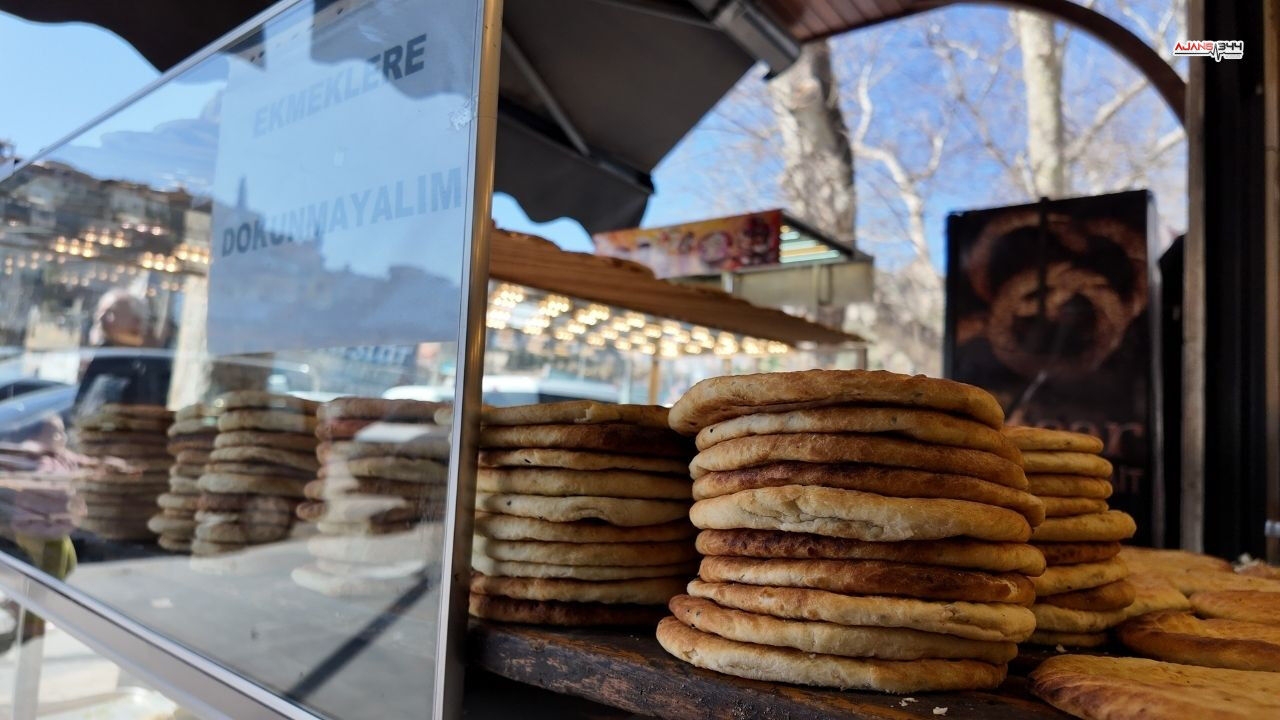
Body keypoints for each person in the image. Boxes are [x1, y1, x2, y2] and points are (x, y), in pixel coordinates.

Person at [74, 288, 171, 411]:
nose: (101, 318)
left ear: (136, 321)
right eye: (100, 312)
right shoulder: (104, 355)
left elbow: (149, 404)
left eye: (111, 313)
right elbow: (82, 402)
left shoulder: (150, 360)